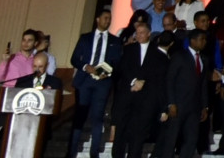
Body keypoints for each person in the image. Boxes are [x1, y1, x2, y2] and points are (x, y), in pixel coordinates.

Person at [110, 19, 167, 158]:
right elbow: (123, 69)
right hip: (127, 98)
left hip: (146, 101)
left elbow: (160, 78)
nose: (139, 35)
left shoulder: (159, 55)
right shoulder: (128, 50)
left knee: (138, 135)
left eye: (142, 32)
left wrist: (144, 82)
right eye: (137, 32)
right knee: (120, 134)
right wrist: (134, 81)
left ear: (149, 34)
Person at [70, 8, 123, 158]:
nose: (108, 21)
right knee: (79, 116)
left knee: (97, 117)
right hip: (85, 80)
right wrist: (86, 67)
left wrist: (108, 72)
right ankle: (71, 151)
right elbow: (74, 59)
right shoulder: (85, 38)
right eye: (105, 18)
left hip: (102, 82)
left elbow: (117, 62)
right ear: (98, 19)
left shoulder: (115, 41)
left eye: (109, 18)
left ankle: (94, 153)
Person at [162, 28, 212, 158]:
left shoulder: (204, 59)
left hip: (194, 107)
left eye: (205, 39)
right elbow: (170, 80)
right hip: (178, 105)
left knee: (191, 139)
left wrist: (205, 106)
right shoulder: (179, 56)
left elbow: (203, 85)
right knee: (171, 138)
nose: (204, 42)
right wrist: (171, 103)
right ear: (192, 41)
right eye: (202, 39)